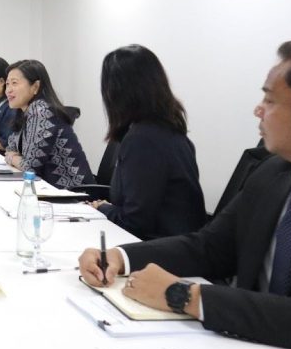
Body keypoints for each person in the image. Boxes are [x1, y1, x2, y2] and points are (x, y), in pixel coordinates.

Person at [78, 32, 291, 349]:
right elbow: (210, 248)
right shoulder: (275, 173)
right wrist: (120, 256)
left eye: (270, 100)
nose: (258, 110)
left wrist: (184, 296)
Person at [87, 45, 207, 240]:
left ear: (116, 93)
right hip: (178, 245)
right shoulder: (169, 131)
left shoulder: (142, 140)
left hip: (161, 249)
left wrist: (102, 208)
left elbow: (134, 223)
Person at [4, 59, 92, 188]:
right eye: (7, 84)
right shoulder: (24, 111)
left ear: (35, 87)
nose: (8, 90)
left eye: (14, 83)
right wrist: (15, 157)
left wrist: (13, 159)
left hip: (73, 192)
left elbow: (30, 168)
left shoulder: (41, 111)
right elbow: (10, 149)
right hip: (47, 188)